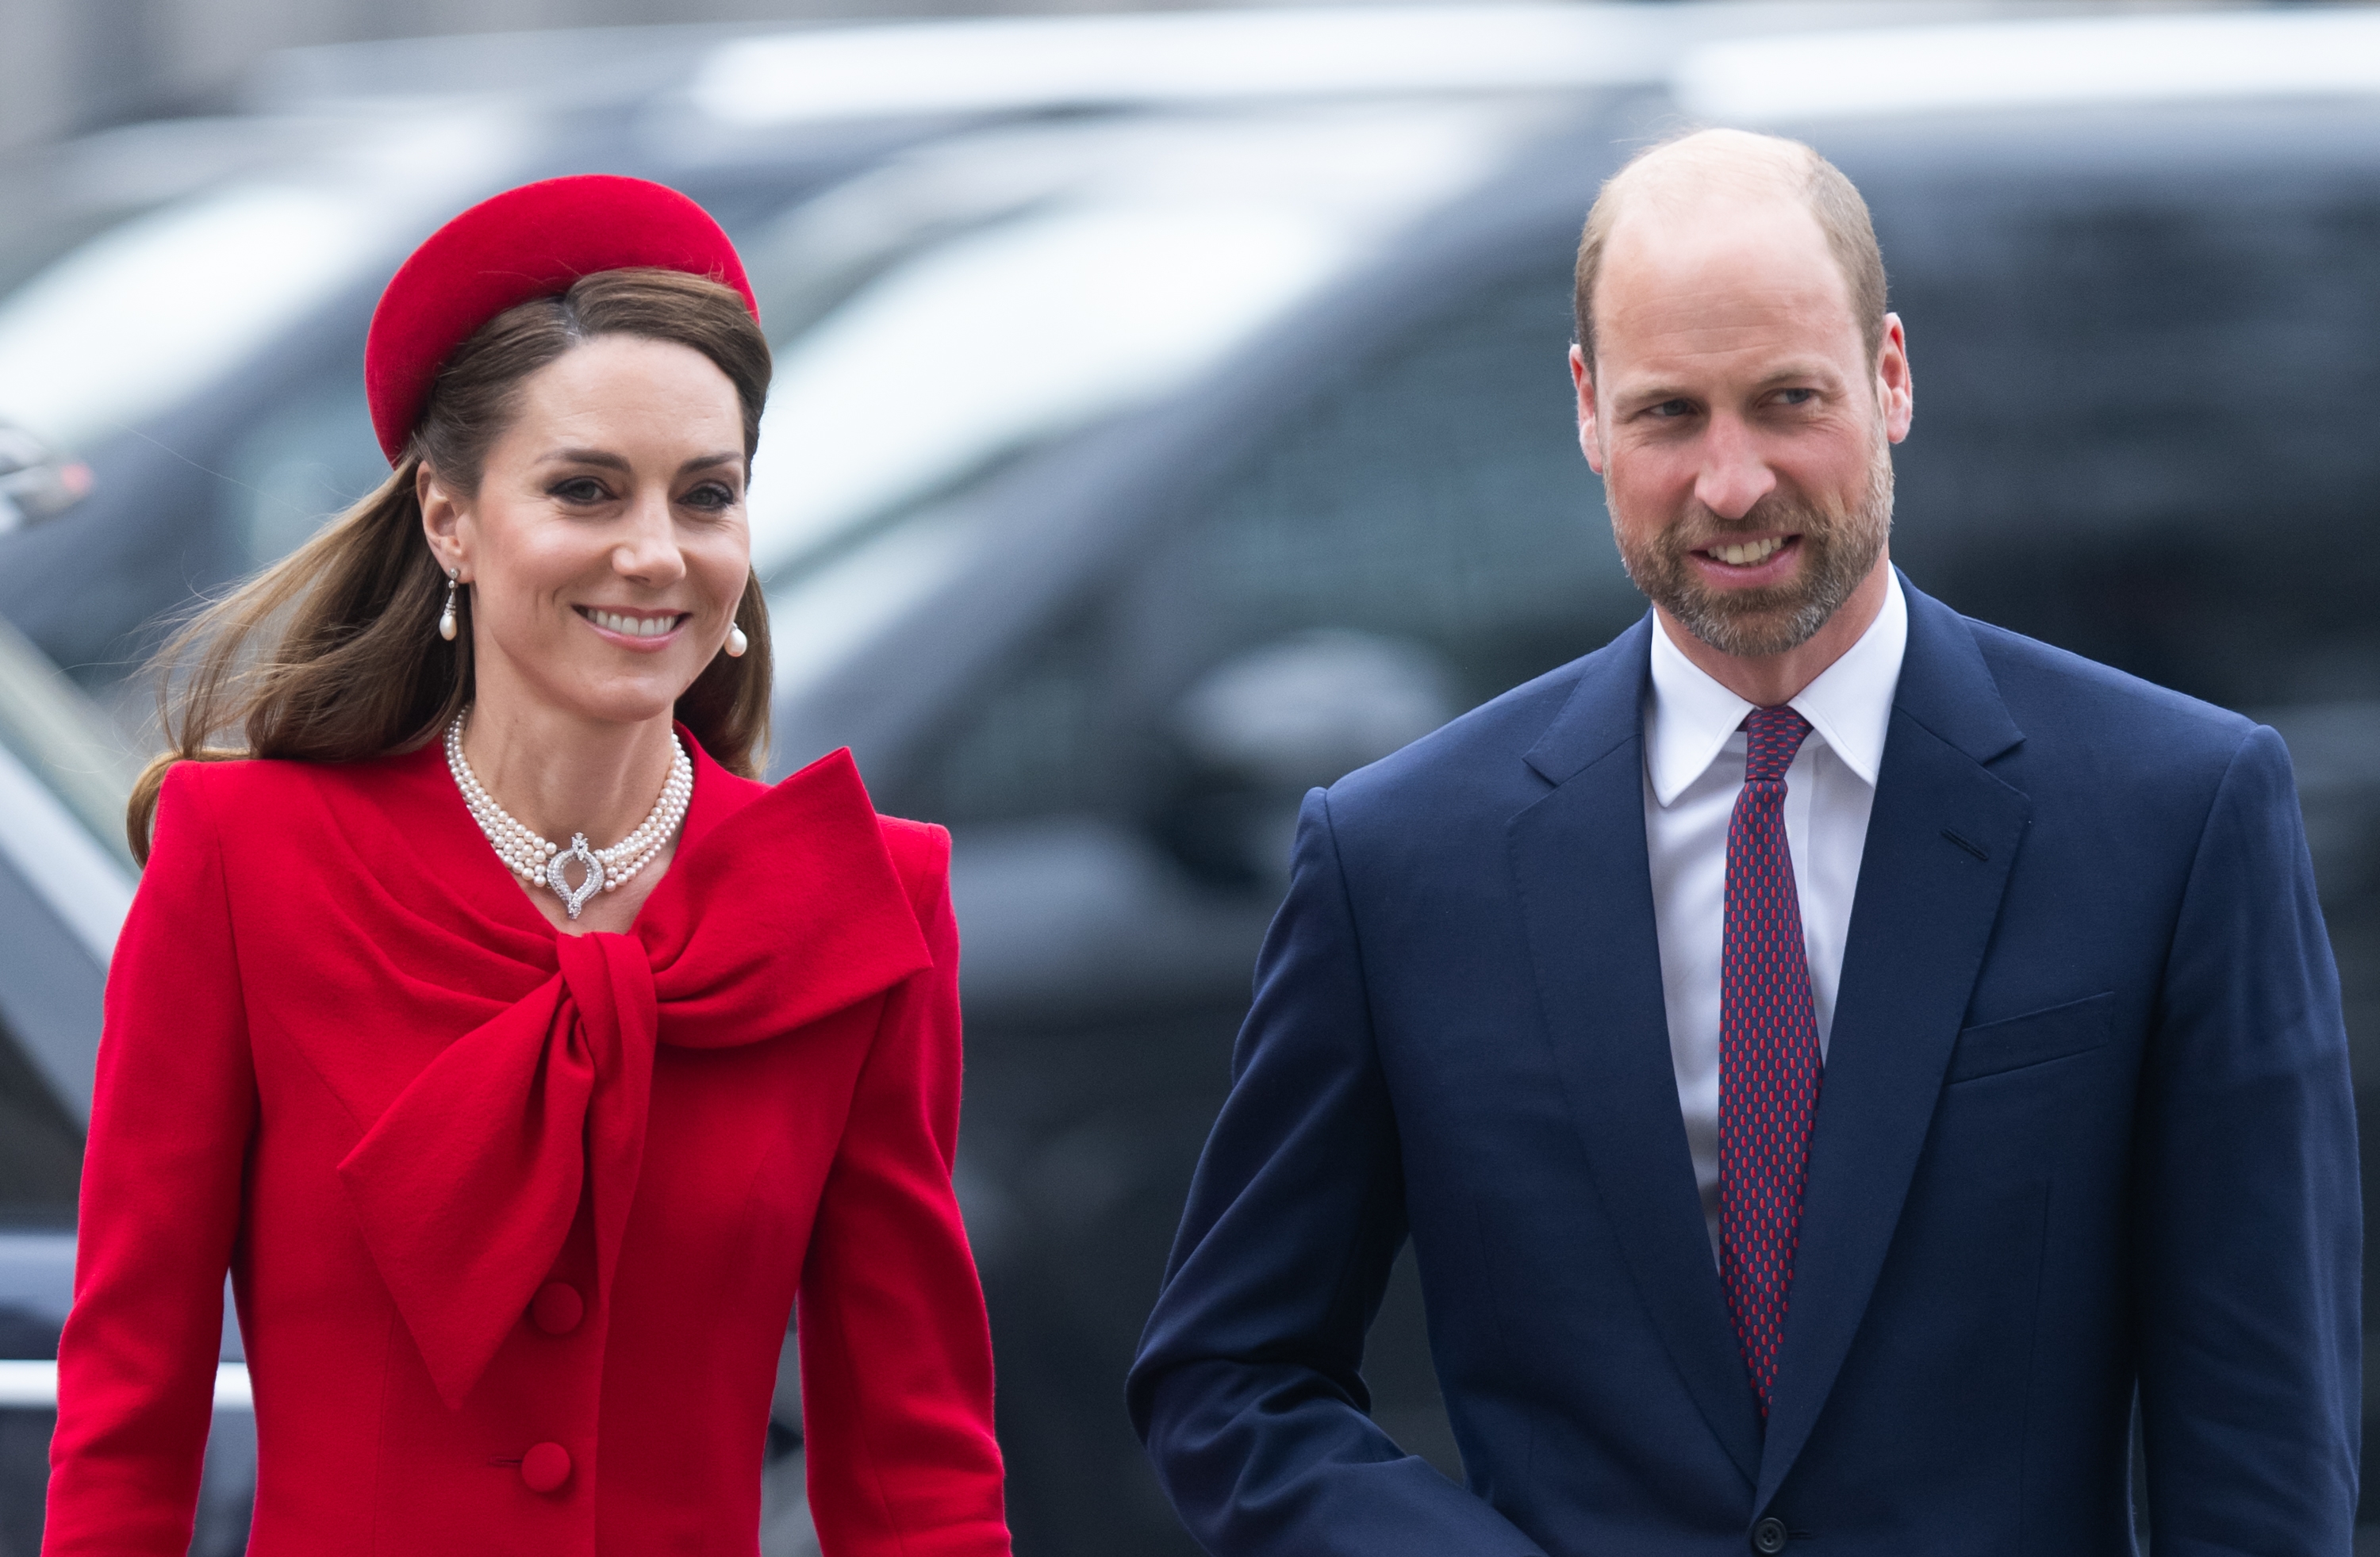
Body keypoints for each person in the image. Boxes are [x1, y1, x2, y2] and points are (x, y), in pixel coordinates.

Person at [1129, 128, 2359, 1554]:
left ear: (1890, 376)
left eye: (1788, 400)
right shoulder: (1401, 859)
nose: (1731, 482)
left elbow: (2262, 1431)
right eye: (1670, 415)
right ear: (1588, 411)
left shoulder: (2176, 811)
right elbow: (1231, 1375)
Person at [44, 175, 1012, 1555]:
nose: (654, 554)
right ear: (450, 519)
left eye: (708, 496)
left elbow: (915, 1458)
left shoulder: (854, 902)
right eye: (584, 490)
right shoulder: (242, 859)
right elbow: (130, 1407)